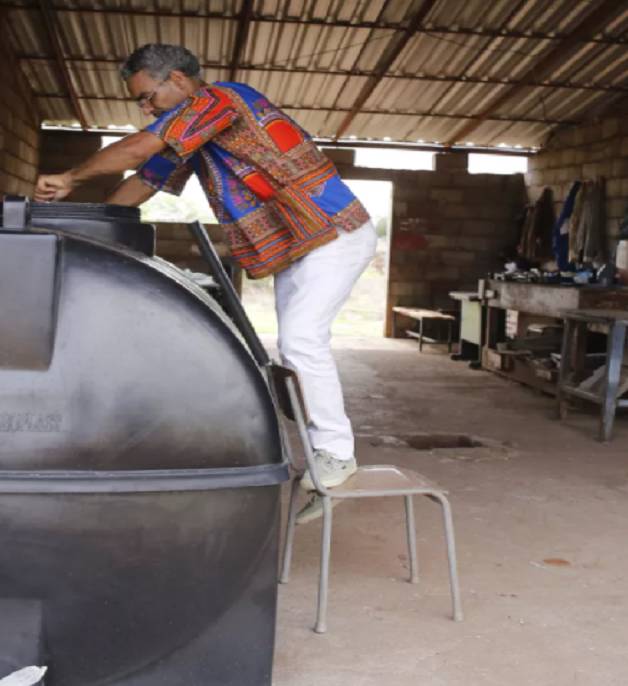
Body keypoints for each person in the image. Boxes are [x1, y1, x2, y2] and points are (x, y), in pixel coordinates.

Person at [35, 44, 376, 525]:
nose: (146, 109)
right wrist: (83, 226)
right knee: (290, 350)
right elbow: (143, 180)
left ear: (177, 79)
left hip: (334, 233)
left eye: (148, 97)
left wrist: (70, 177)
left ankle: (337, 454)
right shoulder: (190, 136)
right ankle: (321, 459)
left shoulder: (222, 101)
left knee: (302, 341)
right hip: (298, 246)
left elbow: (139, 147)